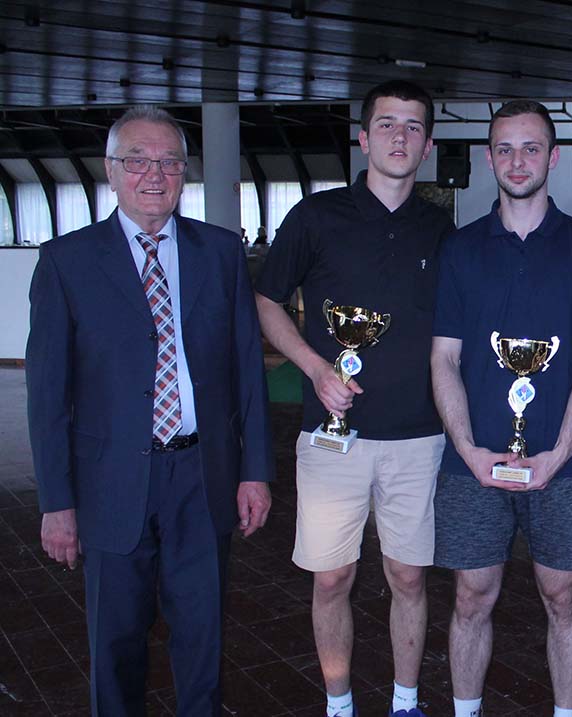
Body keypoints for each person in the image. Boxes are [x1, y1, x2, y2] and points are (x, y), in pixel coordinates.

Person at [26, 105, 274, 716]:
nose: (154, 175)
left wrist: (255, 472)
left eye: (169, 162)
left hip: (202, 475)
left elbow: (246, 368)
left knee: (202, 635)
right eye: (136, 161)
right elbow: (47, 395)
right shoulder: (66, 261)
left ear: (185, 171)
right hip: (109, 482)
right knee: (114, 641)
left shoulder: (220, 253)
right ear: (111, 170)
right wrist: (57, 503)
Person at [255, 80, 453, 717]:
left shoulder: (440, 228)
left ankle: (405, 702)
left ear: (427, 145)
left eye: (413, 126)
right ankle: (339, 705)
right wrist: (316, 368)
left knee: (409, 576)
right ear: (364, 138)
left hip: (418, 435)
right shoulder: (316, 217)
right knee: (332, 576)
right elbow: (267, 301)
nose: (400, 136)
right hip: (331, 434)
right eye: (387, 124)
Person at [430, 100, 572, 717]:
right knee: (470, 597)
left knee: (563, 596)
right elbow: (444, 359)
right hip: (473, 460)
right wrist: (467, 450)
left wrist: (558, 454)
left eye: (531, 148)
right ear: (488, 158)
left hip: (567, 463)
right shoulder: (460, 249)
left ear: (553, 157)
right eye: (505, 149)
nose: (518, 161)